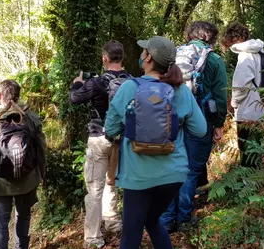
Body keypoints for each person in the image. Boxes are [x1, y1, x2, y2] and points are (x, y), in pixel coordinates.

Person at [104, 36, 208, 249]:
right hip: (173, 174)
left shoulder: (128, 88)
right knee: (152, 220)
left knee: (131, 235)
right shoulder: (181, 91)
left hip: (137, 175)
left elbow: (112, 129)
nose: (141, 55)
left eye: (143, 52)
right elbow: (200, 129)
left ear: (148, 58)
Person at [161, 21, 228, 231]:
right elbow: (220, 94)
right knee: (190, 171)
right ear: (211, 37)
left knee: (171, 167)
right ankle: (183, 218)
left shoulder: (174, 55)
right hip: (202, 120)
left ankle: (166, 219)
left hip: (173, 120)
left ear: (190, 35)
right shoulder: (214, 59)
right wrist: (219, 124)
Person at [69, 40, 131, 248]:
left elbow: (74, 98)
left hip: (99, 137)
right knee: (111, 181)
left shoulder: (96, 82)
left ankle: (93, 237)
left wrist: (77, 82)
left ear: (105, 58)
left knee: (95, 188)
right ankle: (113, 221)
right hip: (122, 138)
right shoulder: (131, 81)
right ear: (122, 58)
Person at [0, 80, 46, 249]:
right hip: (28, 179)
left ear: (0, 96)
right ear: (18, 96)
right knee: (24, 217)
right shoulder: (31, 118)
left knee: (0, 224)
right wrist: (40, 174)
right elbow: (41, 148)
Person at [220, 22, 264, 166]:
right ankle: (259, 179)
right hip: (263, 106)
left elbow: (241, 85)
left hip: (248, 109)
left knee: (246, 149)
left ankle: (248, 182)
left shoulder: (245, 56)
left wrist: (234, 103)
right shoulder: (261, 52)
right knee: (258, 148)